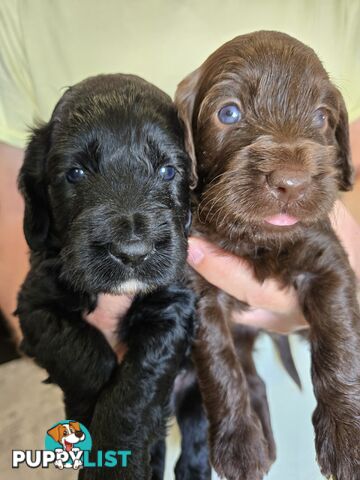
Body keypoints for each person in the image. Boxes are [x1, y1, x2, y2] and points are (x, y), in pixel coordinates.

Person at [1, 1, 359, 478]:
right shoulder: (18, 16)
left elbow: (346, 179)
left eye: (317, 116)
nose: (290, 168)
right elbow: (20, 214)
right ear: (189, 143)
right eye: (229, 112)